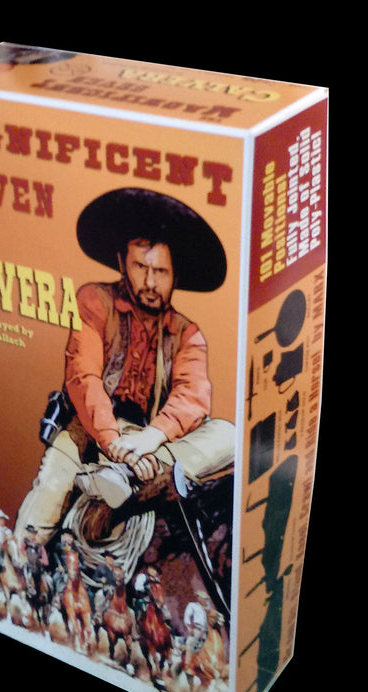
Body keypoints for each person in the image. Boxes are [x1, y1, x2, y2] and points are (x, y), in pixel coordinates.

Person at [14, 187, 235, 544]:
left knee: (228, 435)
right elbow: (83, 377)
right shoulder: (94, 300)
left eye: (161, 271)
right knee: (45, 500)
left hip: (153, 440)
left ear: (176, 275)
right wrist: (112, 441)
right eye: (140, 267)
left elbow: (193, 395)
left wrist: (149, 440)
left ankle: (129, 477)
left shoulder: (187, 334)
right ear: (121, 263)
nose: (150, 283)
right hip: (89, 430)